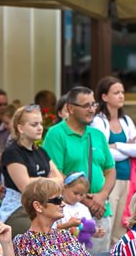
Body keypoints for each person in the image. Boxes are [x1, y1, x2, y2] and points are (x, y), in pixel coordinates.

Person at [42, 86, 115, 246]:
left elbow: (110, 170)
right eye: (86, 106)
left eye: (93, 105)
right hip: (71, 214)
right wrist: (85, 201)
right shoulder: (56, 134)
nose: (91, 110)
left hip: (101, 211)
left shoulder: (97, 135)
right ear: (70, 108)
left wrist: (102, 196)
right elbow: (54, 173)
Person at [90, 77, 136, 244]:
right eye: (116, 92)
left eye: (122, 92)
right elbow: (104, 154)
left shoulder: (126, 120)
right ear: (105, 97)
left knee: (121, 229)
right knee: (108, 225)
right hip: (109, 181)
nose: (121, 96)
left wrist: (117, 145)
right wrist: (128, 148)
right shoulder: (98, 121)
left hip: (128, 179)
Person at [0, 104, 61, 233]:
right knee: (38, 233)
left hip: (42, 207)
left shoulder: (41, 152)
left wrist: (35, 180)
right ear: (20, 128)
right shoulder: (12, 152)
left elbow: (60, 181)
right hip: (18, 209)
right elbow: (26, 188)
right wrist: (48, 180)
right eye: (34, 125)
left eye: (41, 124)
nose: (40, 128)